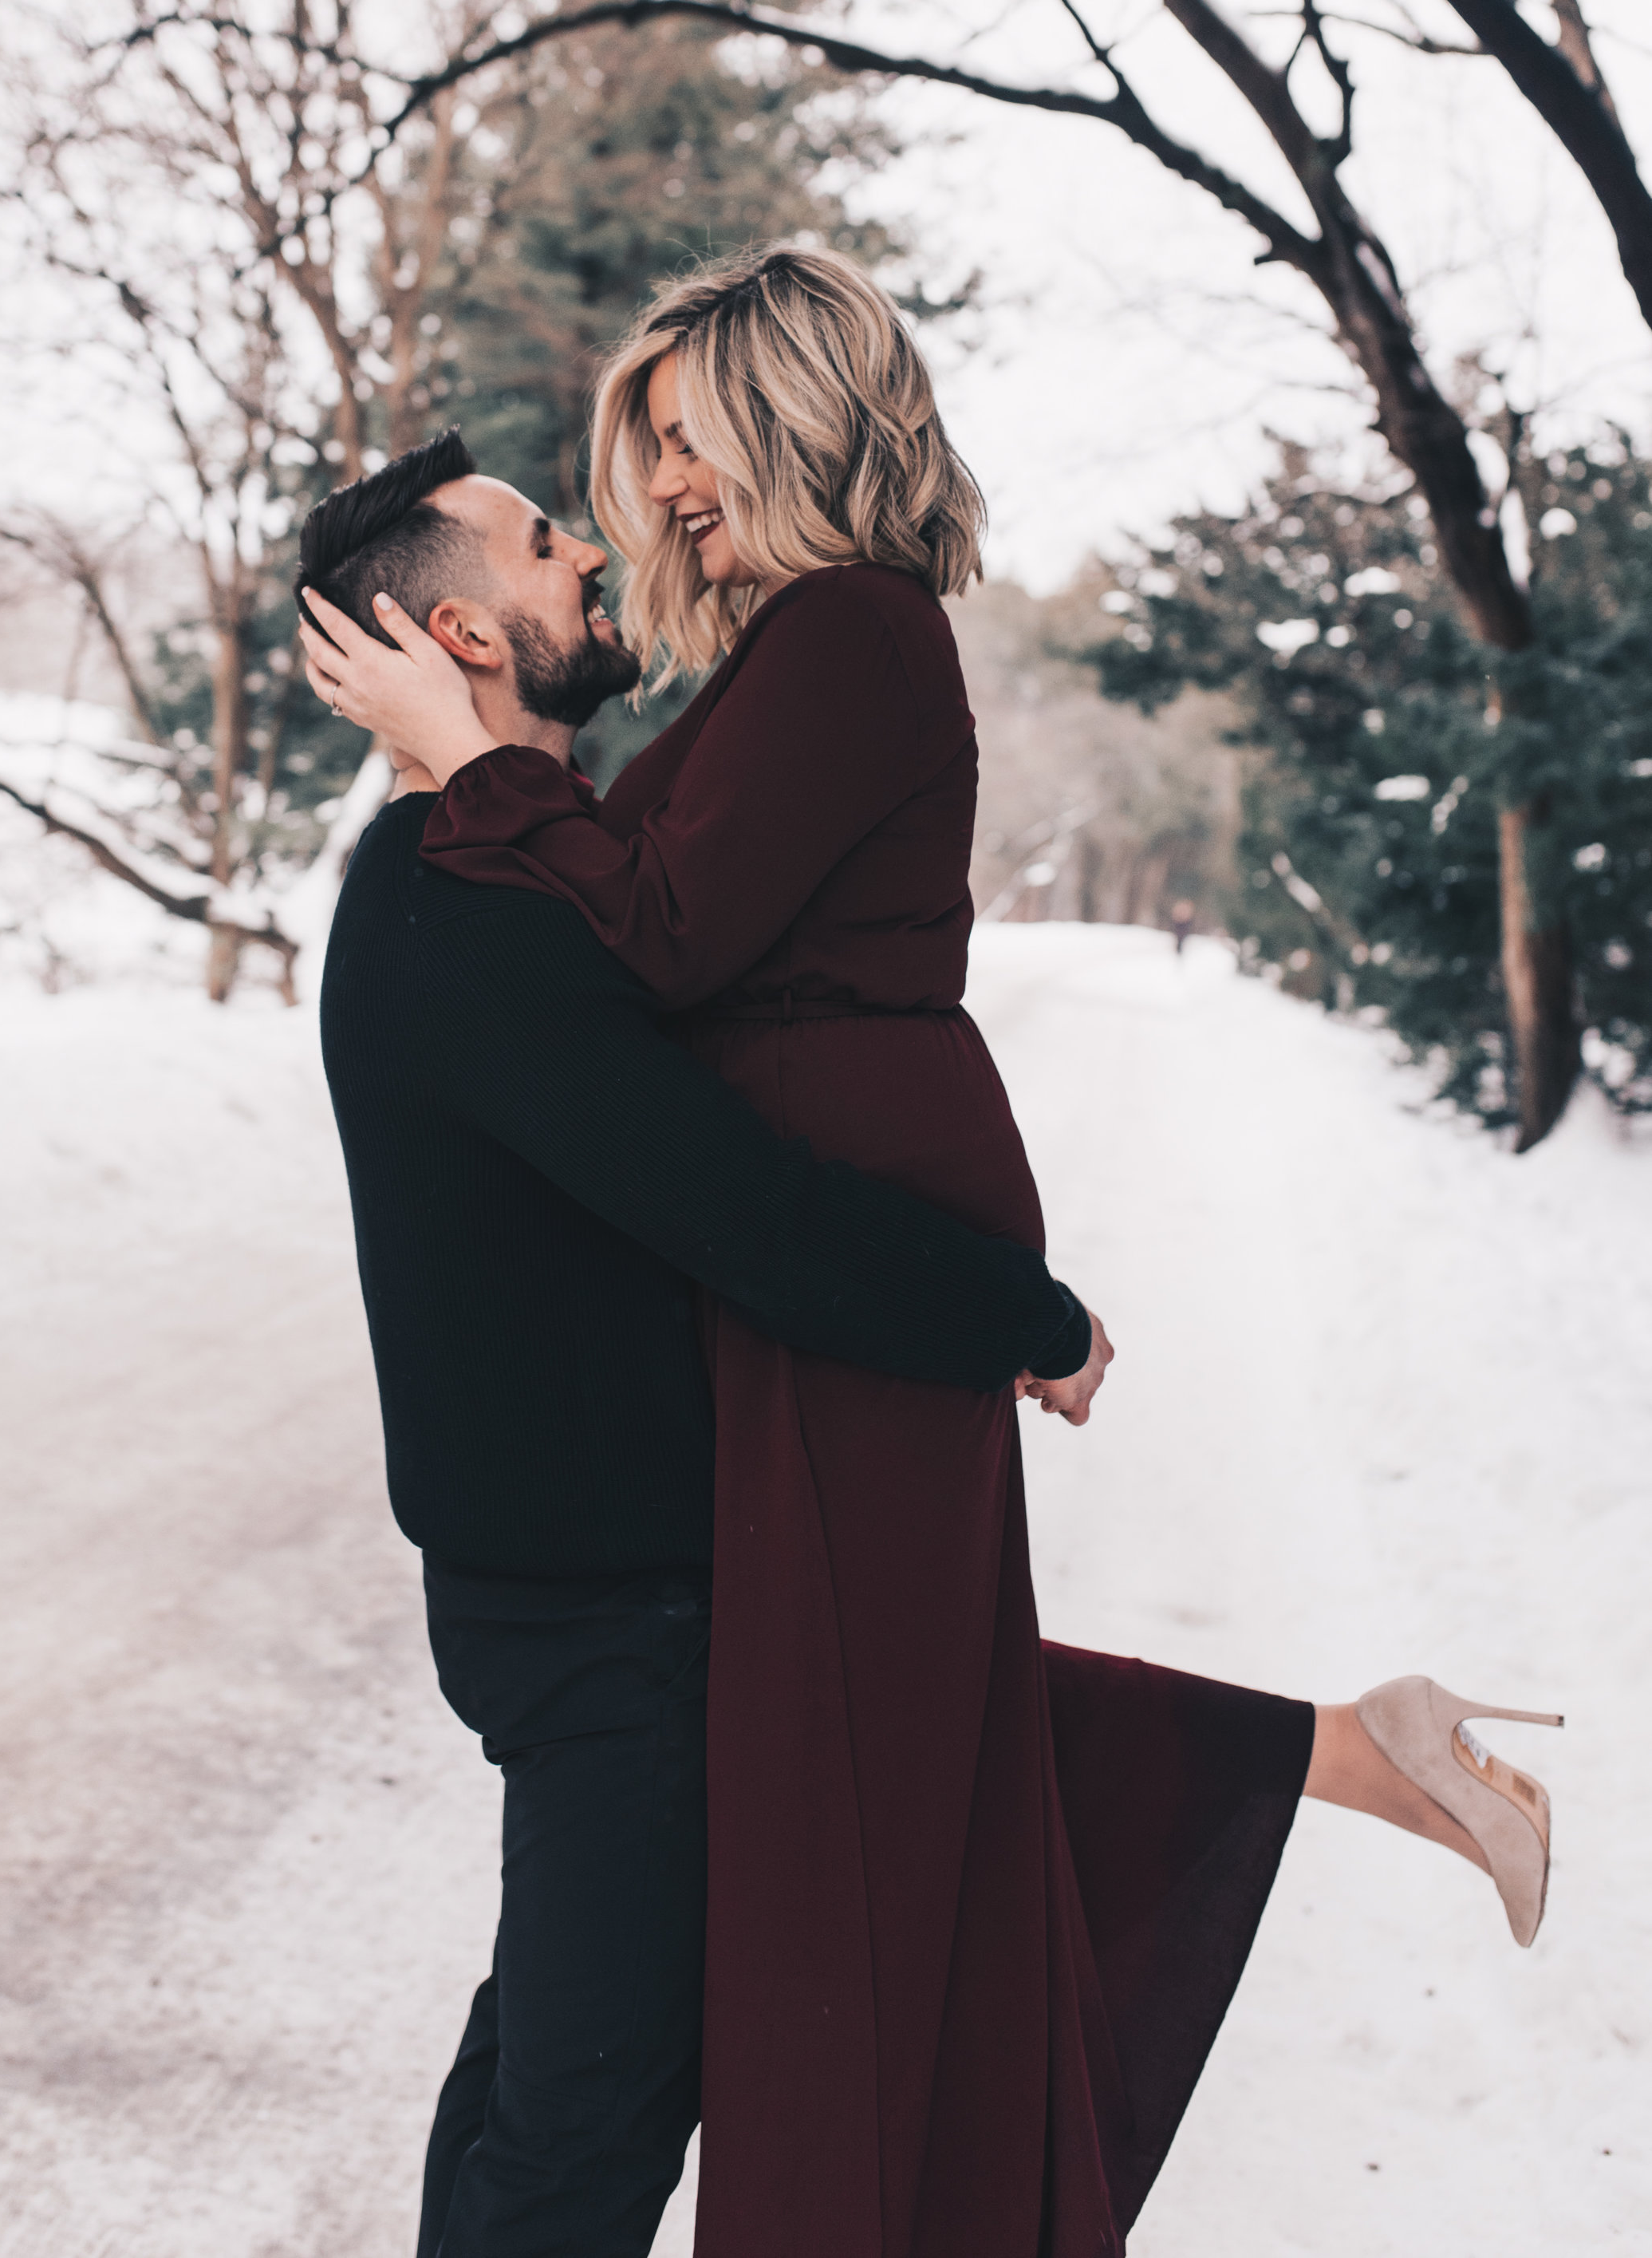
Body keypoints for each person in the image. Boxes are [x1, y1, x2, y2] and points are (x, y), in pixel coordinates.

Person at [300, 250, 1562, 2258]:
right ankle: (1362, 1752)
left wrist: (476, 761)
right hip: (742, 1365)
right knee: (879, 1729)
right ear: (460, 625)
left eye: (675, 444)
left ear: (790, 418)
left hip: (818, 1289)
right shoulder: (666, 742)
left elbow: (667, 946)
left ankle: (1346, 1773)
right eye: (591, 502)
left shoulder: (851, 640)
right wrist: (477, 768)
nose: (646, 503)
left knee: (847, 1757)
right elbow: (657, 982)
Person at [299, 435, 1110, 2258]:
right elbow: (744, 1205)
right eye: (538, 541)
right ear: (460, 630)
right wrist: (1019, 1311)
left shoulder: (454, 873)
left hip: (582, 1595)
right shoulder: (469, 906)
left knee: (541, 2069)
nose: (589, 544)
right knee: (585, 2118)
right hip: (605, 1620)